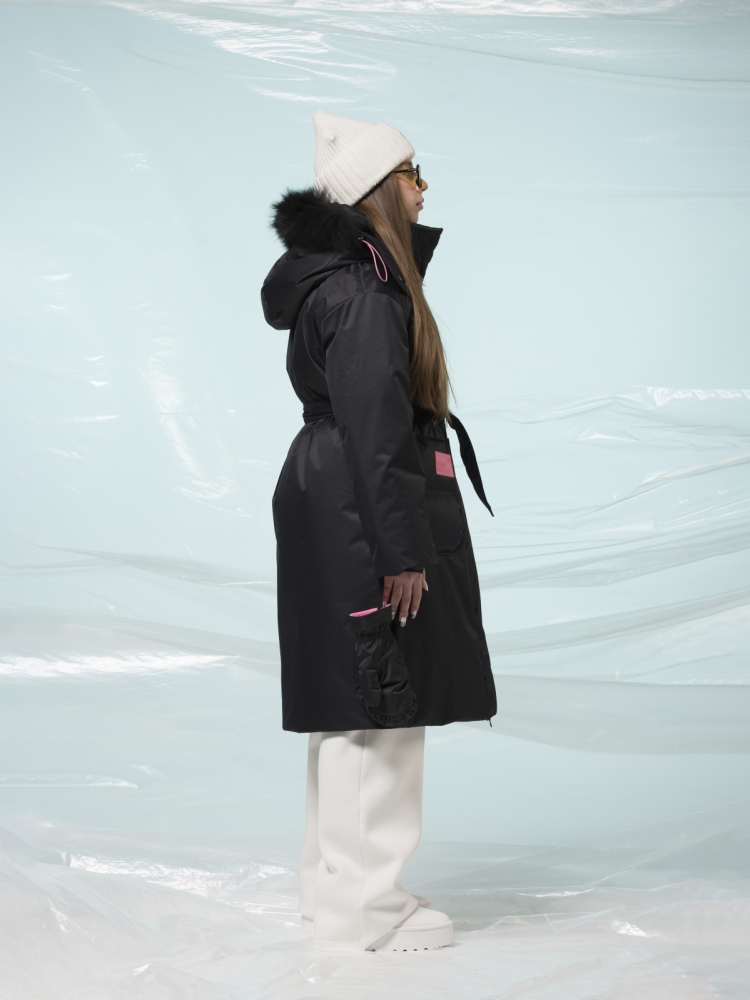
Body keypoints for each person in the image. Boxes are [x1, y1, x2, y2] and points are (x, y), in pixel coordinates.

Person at [261, 109, 496, 952]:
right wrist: (403, 552)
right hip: (362, 509)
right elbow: (378, 429)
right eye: (411, 174)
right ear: (376, 189)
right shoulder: (364, 291)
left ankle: (333, 893)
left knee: (352, 703)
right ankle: (367, 913)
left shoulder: (340, 282)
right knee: (382, 702)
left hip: (333, 497)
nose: (424, 188)